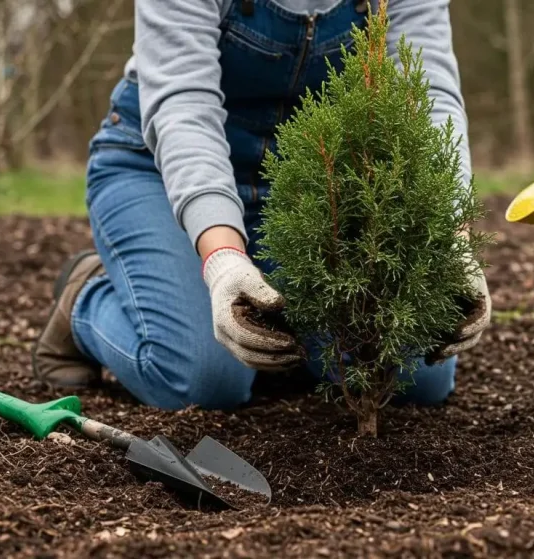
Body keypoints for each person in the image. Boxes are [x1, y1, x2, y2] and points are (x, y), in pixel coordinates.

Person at [30, 0, 491, 411]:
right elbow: (183, 106)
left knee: (414, 377)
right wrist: (224, 260)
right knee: (203, 378)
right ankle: (84, 302)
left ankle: (288, 333)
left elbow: (427, 99)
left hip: (313, 189)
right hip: (158, 169)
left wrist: (452, 244)